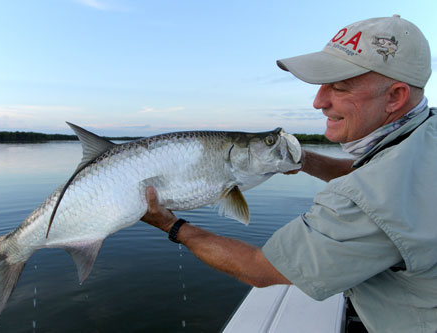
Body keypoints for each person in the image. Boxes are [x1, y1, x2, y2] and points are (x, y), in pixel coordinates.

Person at [142, 15, 436, 332]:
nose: (318, 101)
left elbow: (260, 269)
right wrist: (301, 159)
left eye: (339, 87)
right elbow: (371, 177)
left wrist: (172, 225)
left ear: (395, 96)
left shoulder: (366, 200)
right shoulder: (423, 135)